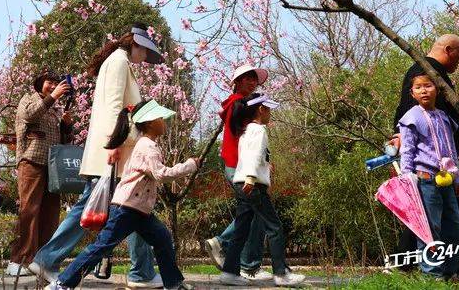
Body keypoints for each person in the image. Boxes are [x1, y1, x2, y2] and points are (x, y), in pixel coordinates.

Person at [29, 24, 164, 288]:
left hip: (117, 153)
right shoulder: (118, 63)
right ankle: (46, 259)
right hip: (114, 155)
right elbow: (115, 107)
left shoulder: (119, 62)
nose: (145, 58)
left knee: (131, 207)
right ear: (134, 44)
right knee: (96, 208)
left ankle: (142, 272)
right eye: (145, 52)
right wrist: (116, 142)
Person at [47, 100, 198, 290]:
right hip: (127, 208)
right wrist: (189, 165)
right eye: (160, 118)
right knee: (101, 247)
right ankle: (62, 283)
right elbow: (161, 174)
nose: (164, 122)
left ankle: (174, 283)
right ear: (150, 122)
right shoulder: (147, 147)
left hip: (138, 209)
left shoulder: (147, 144)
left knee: (162, 239)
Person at [392, 34, 459, 272]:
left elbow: (448, 137)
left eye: (428, 87)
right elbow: (406, 117)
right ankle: (427, 273)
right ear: (448, 50)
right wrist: (407, 173)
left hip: (445, 171)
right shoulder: (424, 70)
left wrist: (457, 175)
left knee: (451, 226)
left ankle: (447, 271)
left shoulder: (440, 107)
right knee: (427, 225)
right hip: (424, 172)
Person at [217, 94, 305, 288]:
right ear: (261, 109)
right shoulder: (259, 130)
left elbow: (249, 156)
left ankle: (229, 272)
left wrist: (256, 171)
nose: (270, 113)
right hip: (252, 185)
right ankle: (281, 274)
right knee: (274, 228)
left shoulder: (246, 130)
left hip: (241, 183)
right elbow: (255, 155)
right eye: (269, 109)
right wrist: (252, 177)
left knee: (241, 229)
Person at [203, 64, 271, 280]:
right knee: (254, 212)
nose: (252, 83)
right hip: (238, 165)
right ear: (237, 82)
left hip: (242, 165)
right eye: (247, 79)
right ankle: (239, 258)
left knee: (251, 214)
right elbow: (240, 136)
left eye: (254, 79)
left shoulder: (242, 104)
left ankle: (247, 265)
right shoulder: (236, 104)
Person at [6, 70, 73, 275]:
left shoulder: (54, 110)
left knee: (50, 213)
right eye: (49, 82)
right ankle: (18, 260)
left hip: (53, 165)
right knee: (30, 209)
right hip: (32, 160)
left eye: (56, 83)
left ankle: (41, 260)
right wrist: (54, 96)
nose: (53, 86)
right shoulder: (29, 99)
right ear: (39, 84)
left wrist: (66, 126)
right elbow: (29, 115)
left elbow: (63, 141)